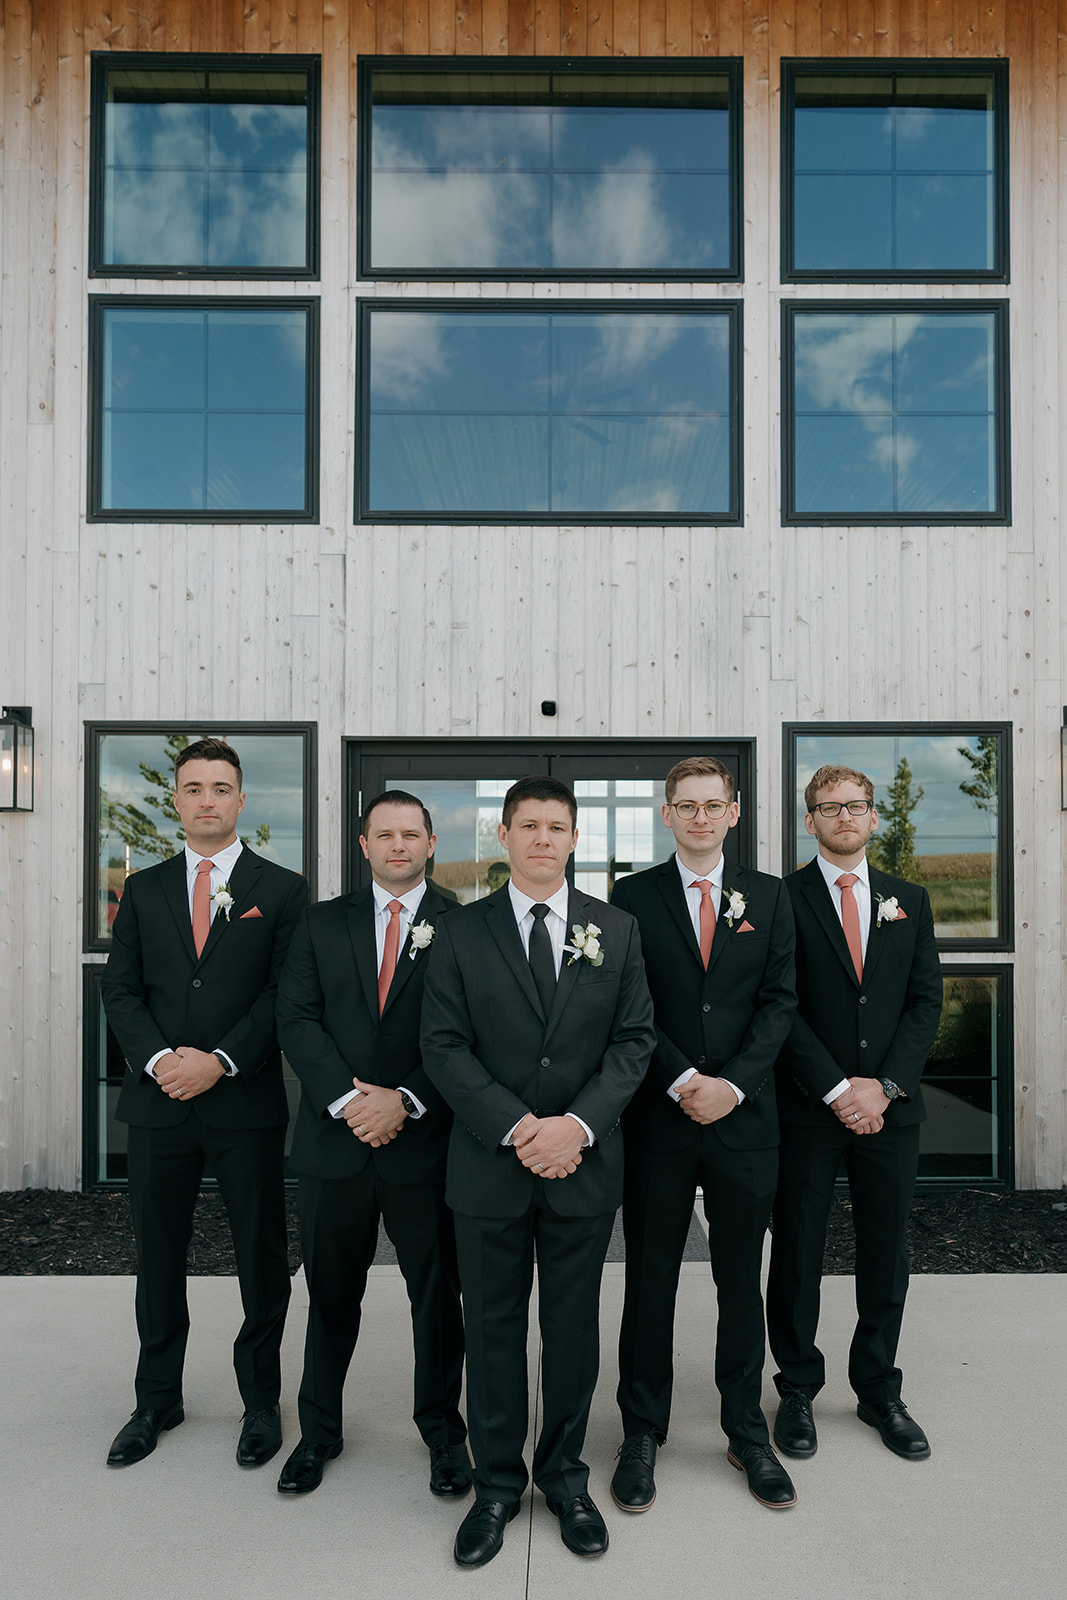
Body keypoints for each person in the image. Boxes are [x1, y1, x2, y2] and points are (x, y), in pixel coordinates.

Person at [420, 776, 655, 1568]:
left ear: (575, 838)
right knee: (489, 1332)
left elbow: (633, 1041)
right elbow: (442, 1046)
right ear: (504, 836)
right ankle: (494, 1485)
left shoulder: (615, 930)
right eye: (528, 826)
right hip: (489, 1166)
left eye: (556, 827)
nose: (542, 839)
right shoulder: (459, 930)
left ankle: (563, 1478)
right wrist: (522, 1128)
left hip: (581, 1167)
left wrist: (577, 1127)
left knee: (570, 1331)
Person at [101, 737, 309, 1469]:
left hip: (242, 1102)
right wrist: (160, 1061)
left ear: (241, 800)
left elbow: (284, 993)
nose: (208, 800)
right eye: (194, 788)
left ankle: (259, 1404)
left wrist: (219, 1061)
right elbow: (120, 989)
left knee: (260, 1256)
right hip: (158, 1105)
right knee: (158, 1257)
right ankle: (156, 1399)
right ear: (177, 799)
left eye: (222, 788)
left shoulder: (282, 890)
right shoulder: (145, 888)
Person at [609, 756, 798, 1514]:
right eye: (683, 805)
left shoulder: (770, 898)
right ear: (665, 815)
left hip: (744, 1119)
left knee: (737, 1281)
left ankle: (745, 1428)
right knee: (648, 1278)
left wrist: (734, 1084)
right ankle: (640, 1432)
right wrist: (685, 1080)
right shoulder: (630, 897)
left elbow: (779, 1002)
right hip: (659, 1115)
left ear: (733, 812)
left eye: (710, 805)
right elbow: (630, 1004)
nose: (697, 816)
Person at [273, 790, 468, 1498]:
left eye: (410, 835)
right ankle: (318, 1432)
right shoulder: (321, 923)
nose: (397, 846)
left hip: (426, 1146)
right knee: (329, 1295)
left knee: (438, 1299)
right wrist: (351, 1101)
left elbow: (471, 1032)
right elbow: (295, 1017)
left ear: (430, 842)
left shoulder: (466, 924)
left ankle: (445, 1435)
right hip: (335, 1142)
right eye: (384, 835)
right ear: (363, 845)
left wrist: (407, 1099)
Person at [767, 764, 943, 1464]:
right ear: (808, 820)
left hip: (890, 1112)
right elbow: (779, 1004)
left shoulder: (910, 900)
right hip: (808, 1109)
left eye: (856, 806)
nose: (844, 816)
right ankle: (797, 1388)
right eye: (828, 807)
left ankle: (877, 1389)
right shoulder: (780, 899)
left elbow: (923, 1001)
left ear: (874, 819)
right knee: (797, 1252)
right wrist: (839, 1089)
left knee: (883, 1252)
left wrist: (884, 1087)